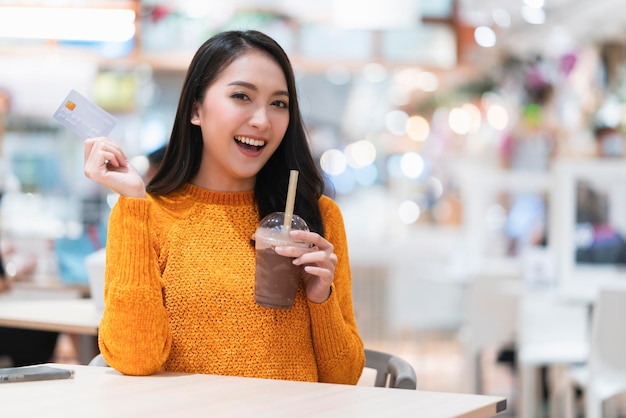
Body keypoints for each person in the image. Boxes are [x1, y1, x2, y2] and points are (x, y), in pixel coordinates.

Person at [83, 30, 364, 384]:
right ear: (195, 109)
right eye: (242, 96)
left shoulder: (316, 217)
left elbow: (345, 378)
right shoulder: (146, 214)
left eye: (279, 103)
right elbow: (136, 358)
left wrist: (320, 298)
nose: (262, 120)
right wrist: (133, 203)